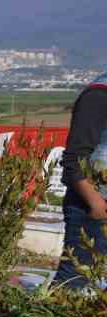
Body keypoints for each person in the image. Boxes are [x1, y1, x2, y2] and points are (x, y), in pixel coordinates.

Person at [53, 72, 107, 289]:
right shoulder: (99, 95)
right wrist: (96, 205)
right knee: (73, 283)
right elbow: (74, 158)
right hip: (94, 206)